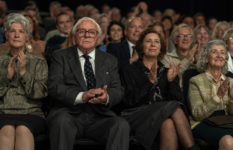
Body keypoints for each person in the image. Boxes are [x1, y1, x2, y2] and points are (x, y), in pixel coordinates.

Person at [47, 17, 130, 150]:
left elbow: (118, 89)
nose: (87, 35)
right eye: (82, 31)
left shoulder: (109, 60)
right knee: (61, 121)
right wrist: (82, 96)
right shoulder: (60, 56)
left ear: (97, 37)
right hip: (69, 114)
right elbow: (54, 87)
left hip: (99, 117)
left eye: (91, 32)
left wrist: (106, 97)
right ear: (74, 36)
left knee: (121, 124)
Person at [120, 28, 200, 150]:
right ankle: (192, 147)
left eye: (156, 41)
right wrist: (149, 82)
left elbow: (179, 100)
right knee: (174, 108)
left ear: (161, 47)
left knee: (168, 123)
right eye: (148, 41)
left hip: (161, 118)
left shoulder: (167, 72)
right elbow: (130, 102)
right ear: (141, 46)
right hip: (136, 116)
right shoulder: (129, 70)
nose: (153, 44)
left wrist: (171, 82)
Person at [0, 13, 48, 150]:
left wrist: (23, 73)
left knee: (23, 129)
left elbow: (40, 93)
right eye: (12, 31)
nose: (16, 35)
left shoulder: (39, 63)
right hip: (3, 112)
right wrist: (6, 79)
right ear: (7, 35)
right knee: (7, 129)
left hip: (31, 113)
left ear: (27, 36)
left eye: (21, 32)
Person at [188, 40, 233, 148]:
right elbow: (197, 114)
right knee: (228, 141)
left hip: (227, 121)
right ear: (206, 58)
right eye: (214, 52)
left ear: (225, 59)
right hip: (203, 122)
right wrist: (217, 97)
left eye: (222, 52)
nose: (219, 55)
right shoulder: (195, 81)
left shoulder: (231, 81)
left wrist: (232, 100)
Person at [161, 23, 197, 87]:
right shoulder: (167, 58)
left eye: (188, 36)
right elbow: (170, 79)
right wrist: (187, 59)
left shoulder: (197, 58)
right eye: (181, 36)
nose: (185, 39)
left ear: (192, 40)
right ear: (175, 40)